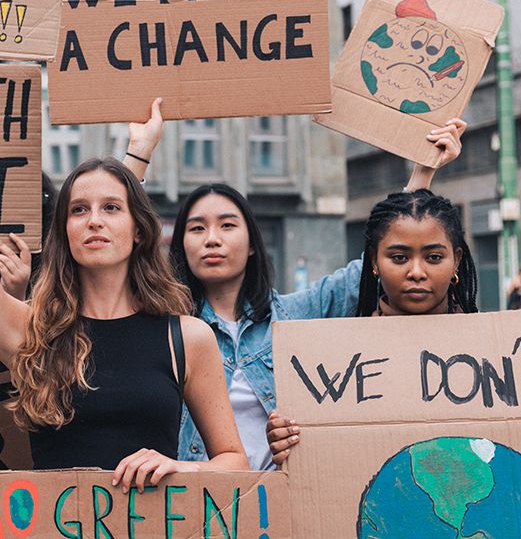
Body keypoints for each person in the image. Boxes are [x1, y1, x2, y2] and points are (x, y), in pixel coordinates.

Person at [0, 28, 248, 491]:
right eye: (79, 210)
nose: (94, 222)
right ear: (64, 233)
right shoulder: (31, 331)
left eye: (111, 209)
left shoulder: (187, 337)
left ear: (139, 229)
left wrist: (180, 466)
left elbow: (234, 461)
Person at [122, 98, 465, 471]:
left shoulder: (295, 315)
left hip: (281, 508)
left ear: (253, 243)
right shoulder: (165, 324)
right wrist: (138, 153)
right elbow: (116, 255)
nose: (212, 239)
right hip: (200, 508)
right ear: (181, 243)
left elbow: (376, 262)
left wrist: (423, 172)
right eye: (197, 228)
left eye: (227, 225)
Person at [266, 188, 480, 465]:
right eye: (399, 258)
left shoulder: (493, 356)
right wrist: (288, 438)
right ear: (375, 263)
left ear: (457, 261)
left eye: (434, 257)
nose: (416, 271)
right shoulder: (334, 360)